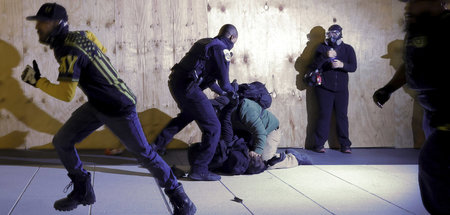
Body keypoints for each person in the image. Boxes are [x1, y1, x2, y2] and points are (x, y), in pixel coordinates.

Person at [22, 3, 196, 214]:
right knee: (62, 141)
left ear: (58, 23)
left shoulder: (68, 50)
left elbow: (67, 95)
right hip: (98, 103)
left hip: (118, 106)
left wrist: (38, 81)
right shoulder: (78, 37)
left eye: (43, 22)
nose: (37, 26)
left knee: (144, 154)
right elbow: (97, 44)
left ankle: (181, 199)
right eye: (38, 22)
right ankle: (83, 190)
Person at [374, 0, 450, 213]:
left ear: (438, 3)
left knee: (432, 162)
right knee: (436, 167)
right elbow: (409, 65)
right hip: (432, 110)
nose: (408, 7)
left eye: (415, 1)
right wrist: (388, 89)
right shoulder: (416, 30)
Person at [151, 24, 238, 181]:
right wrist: (233, 92)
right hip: (188, 88)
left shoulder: (205, 43)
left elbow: (210, 82)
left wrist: (224, 93)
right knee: (213, 126)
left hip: (177, 83)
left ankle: (155, 147)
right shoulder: (222, 50)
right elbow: (225, 83)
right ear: (232, 38)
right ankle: (200, 169)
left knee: (187, 115)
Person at [211, 95, 312, 170]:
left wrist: (256, 153)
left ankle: (294, 158)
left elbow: (261, 134)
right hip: (249, 133)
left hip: (269, 132)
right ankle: (275, 155)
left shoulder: (246, 111)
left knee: (264, 163)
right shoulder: (222, 114)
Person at [308, 24, 357, 153]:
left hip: (341, 89)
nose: (332, 36)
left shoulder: (348, 49)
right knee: (324, 115)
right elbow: (313, 66)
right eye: (330, 33)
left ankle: (345, 144)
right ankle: (318, 144)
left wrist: (342, 65)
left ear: (341, 34)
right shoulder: (322, 47)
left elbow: (353, 67)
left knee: (342, 116)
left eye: (335, 33)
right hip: (324, 88)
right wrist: (325, 55)